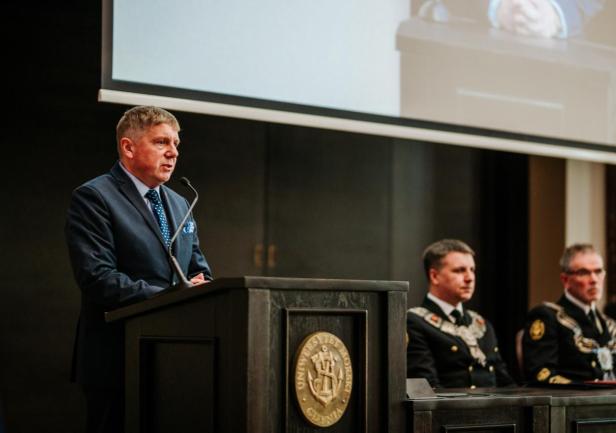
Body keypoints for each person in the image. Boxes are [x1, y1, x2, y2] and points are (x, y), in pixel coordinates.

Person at [65, 106, 213, 432]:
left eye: (175, 144)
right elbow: (98, 278)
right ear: (128, 147)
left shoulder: (180, 202)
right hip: (117, 359)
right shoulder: (94, 197)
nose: (173, 152)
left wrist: (202, 290)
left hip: (175, 359)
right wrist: (173, 296)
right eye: (161, 142)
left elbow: (199, 271)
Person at [406, 239, 515, 388]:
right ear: (434, 276)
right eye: (459, 270)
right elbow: (426, 388)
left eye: (472, 270)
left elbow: (505, 382)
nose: (470, 278)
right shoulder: (414, 322)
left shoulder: (481, 324)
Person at [522, 243, 616, 385]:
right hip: (573, 397)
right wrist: (587, 390)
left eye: (598, 271)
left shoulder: (608, 323)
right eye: (583, 273)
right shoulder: (548, 317)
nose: (594, 280)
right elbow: (541, 374)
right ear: (565, 280)